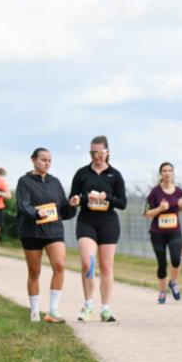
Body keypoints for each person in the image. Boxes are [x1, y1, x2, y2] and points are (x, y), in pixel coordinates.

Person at [69, 136, 127, 323]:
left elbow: (122, 202)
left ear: (107, 152)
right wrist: (82, 199)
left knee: (106, 265)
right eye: (93, 152)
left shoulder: (115, 175)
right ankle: (88, 304)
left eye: (100, 152)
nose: (96, 156)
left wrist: (106, 197)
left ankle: (106, 308)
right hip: (86, 221)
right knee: (88, 262)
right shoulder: (82, 173)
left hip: (108, 223)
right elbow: (73, 198)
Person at [15, 148, 77, 323]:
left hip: (53, 230)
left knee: (59, 265)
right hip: (31, 231)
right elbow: (23, 205)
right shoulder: (24, 182)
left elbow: (63, 209)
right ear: (33, 160)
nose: (47, 163)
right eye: (43, 160)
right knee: (34, 272)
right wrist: (36, 214)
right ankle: (34, 311)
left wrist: (72, 205)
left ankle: (52, 310)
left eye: (49, 160)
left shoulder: (55, 182)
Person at [145, 162, 182, 304]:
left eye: (170, 170)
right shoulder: (155, 192)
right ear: (160, 174)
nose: (167, 173)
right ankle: (162, 291)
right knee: (161, 264)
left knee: (176, 259)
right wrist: (160, 209)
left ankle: (173, 282)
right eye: (164, 170)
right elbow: (147, 213)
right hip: (158, 232)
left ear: (173, 173)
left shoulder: (179, 191)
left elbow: (181, 208)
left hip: (174, 231)